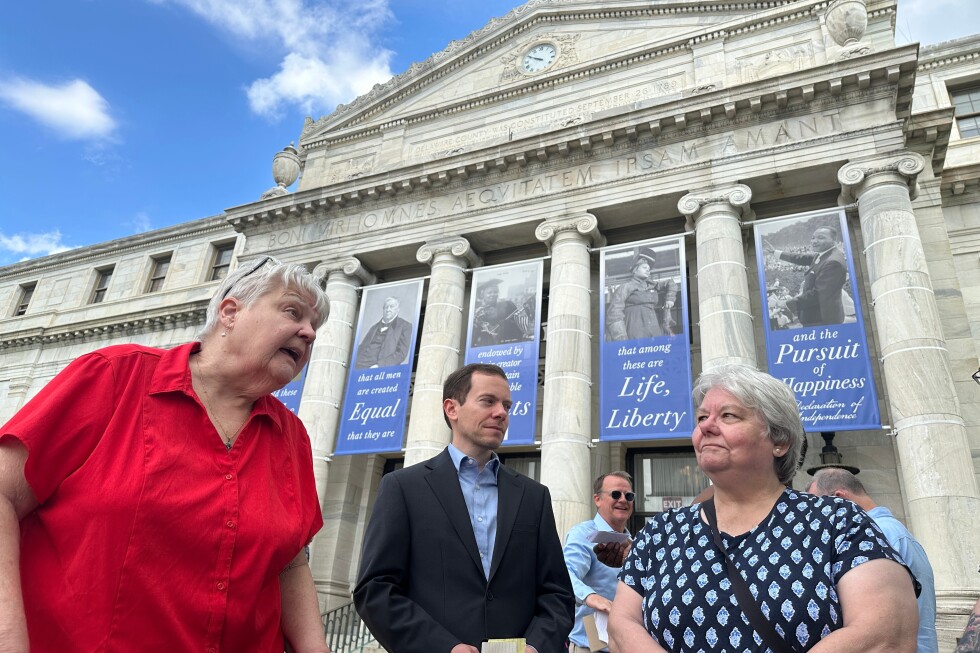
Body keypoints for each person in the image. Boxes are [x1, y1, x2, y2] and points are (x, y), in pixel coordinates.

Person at [0, 256, 331, 652]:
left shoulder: (292, 436)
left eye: (315, 326)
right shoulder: (114, 376)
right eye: (293, 311)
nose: (309, 333)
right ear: (230, 313)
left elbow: (291, 564)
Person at [609, 364, 919, 652]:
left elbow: (886, 633)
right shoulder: (661, 531)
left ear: (779, 440)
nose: (707, 427)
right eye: (702, 418)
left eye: (728, 415)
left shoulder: (838, 521)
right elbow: (622, 624)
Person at [353, 363, 574, 653]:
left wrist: (535, 646)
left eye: (507, 405)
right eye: (488, 401)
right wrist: (445, 647)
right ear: (452, 409)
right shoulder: (403, 487)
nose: (501, 413)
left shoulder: (534, 496)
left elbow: (557, 593)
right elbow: (375, 589)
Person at [807, 468, 938, 653]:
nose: (816, 518)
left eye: (819, 507)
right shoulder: (893, 532)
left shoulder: (873, 538)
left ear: (839, 498)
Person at [563, 471, 634, 653]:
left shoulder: (634, 543)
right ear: (597, 499)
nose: (623, 500)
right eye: (616, 494)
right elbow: (565, 575)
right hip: (590, 647)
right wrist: (591, 597)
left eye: (629, 495)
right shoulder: (583, 534)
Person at [764, 226, 847, 327]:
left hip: (823, 321)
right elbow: (801, 258)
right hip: (818, 317)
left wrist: (787, 303)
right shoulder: (824, 254)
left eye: (821, 238)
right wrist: (776, 253)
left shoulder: (833, 262)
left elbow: (818, 294)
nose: (814, 241)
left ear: (834, 240)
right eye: (813, 238)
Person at [606, 251, 678, 341]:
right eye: (644, 267)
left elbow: (670, 283)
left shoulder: (652, 285)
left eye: (649, 268)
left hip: (654, 331)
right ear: (635, 270)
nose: (648, 270)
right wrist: (621, 338)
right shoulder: (625, 287)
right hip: (635, 330)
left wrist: (670, 298)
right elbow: (614, 313)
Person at [354, 296, 412, 369]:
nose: (388, 309)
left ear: (398, 310)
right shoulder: (374, 327)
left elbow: (401, 354)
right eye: (386, 307)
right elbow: (362, 347)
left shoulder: (405, 326)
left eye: (391, 307)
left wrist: (380, 365)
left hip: (379, 369)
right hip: (359, 366)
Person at [472, 279, 526, 346]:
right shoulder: (479, 312)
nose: (493, 294)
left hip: (508, 342)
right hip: (488, 346)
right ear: (483, 295)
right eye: (489, 292)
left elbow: (519, 323)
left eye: (495, 292)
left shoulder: (508, 305)